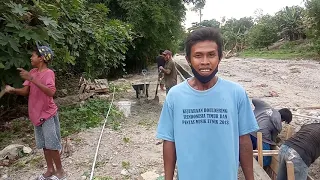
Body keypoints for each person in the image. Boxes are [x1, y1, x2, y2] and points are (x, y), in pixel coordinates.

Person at [156, 27, 259, 180]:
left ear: (220, 57)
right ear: (188, 59)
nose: (205, 62)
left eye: (211, 55)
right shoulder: (175, 96)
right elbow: (169, 142)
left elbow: (244, 141)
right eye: (198, 55)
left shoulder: (236, 93)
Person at [5, 44, 66, 180]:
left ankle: (60, 172)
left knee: (52, 145)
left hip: (48, 114)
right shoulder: (32, 72)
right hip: (36, 115)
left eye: (33, 55)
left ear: (42, 58)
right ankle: (50, 170)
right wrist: (13, 90)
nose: (31, 57)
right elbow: (26, 91)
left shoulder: (49, 73)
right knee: (44, 145)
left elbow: (51, 92)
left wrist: (31, 78)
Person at [249, 98, 292, 167]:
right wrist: (276, 143)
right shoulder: (278, 125)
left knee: (248, 150)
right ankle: (261, 170)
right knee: (266, 158)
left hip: (249, 131)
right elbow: (272, 139)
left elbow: (254, 100)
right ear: (283, 119)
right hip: (262, 136)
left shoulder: (266, 107)